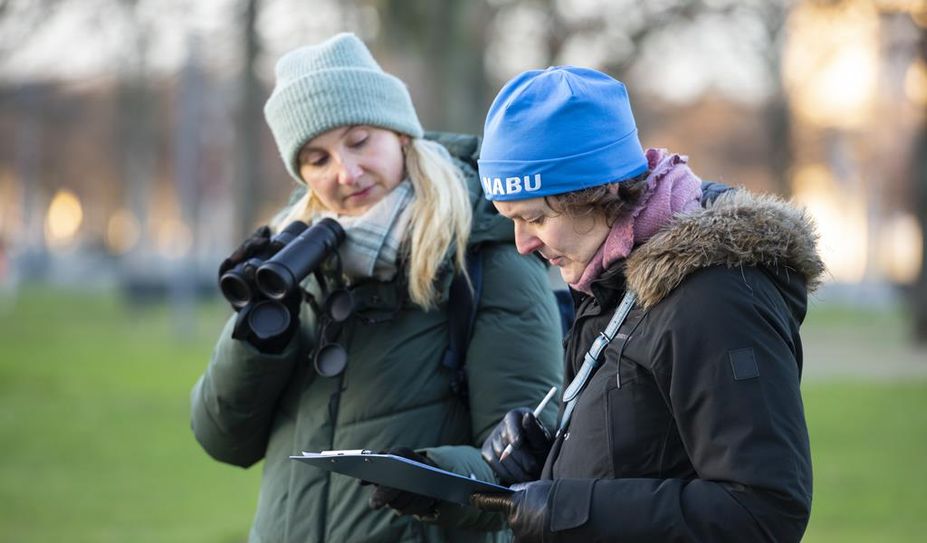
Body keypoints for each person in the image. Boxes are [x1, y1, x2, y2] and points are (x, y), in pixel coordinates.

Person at [190, 33, 563, 543]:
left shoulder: (485, 253)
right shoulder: (289, 268)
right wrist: (260, 338)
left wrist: (423, 477)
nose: (346, 172)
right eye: (317, 159)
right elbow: (222, 440)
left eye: (360, 140)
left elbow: (526, 460)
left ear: (402, 133)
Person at [468, 66, 824, 542]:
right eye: (510, 219)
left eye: (534, 218)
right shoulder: (611, 280)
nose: (522, 244)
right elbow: (646, 455)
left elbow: (763, 511)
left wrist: (570, 508)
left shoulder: (714, 298)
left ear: (598, 193)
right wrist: (545, 466)